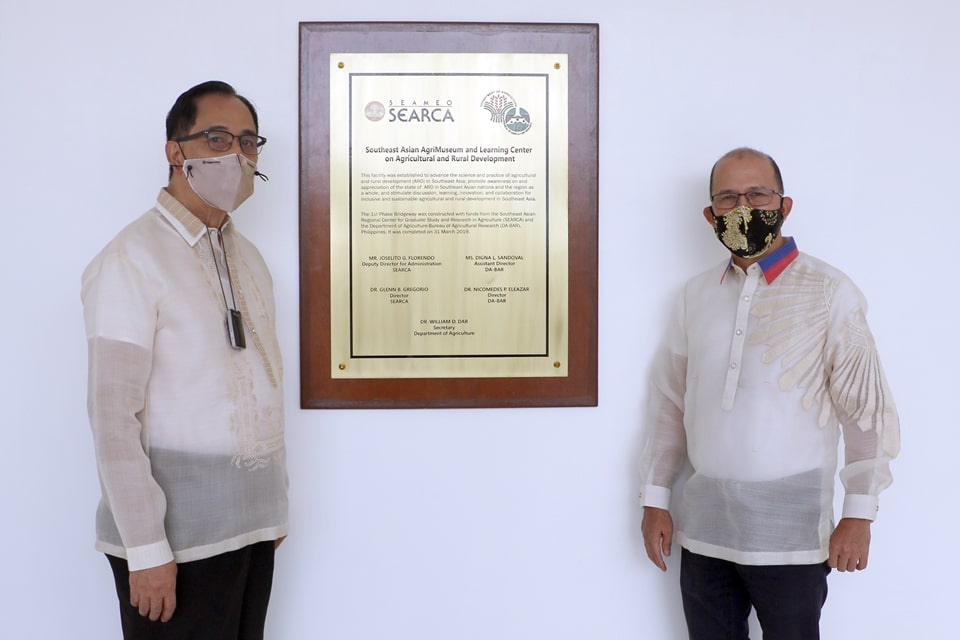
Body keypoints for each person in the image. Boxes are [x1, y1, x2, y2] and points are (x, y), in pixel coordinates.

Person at [638, 147, 900, 640]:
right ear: (709, 214)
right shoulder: (695, 296)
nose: (744, 207)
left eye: (758, 193)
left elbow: (866, 412)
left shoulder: (829, 291)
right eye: (728, 197)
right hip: (704, 532)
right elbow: (670, 402)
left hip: (792, 537)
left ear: (784, 206)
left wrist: (859, 514)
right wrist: (655, 498)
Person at [81, 80, 287, 640]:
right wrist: (147, 552)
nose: (236, 155)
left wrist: (272, 509)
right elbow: (112, 420)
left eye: (248, 142)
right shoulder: (131, 260)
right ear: (176, 152)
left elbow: (258, 384)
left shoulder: (248, 257)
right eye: (216, 138)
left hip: (249, 528)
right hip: (175, 541)